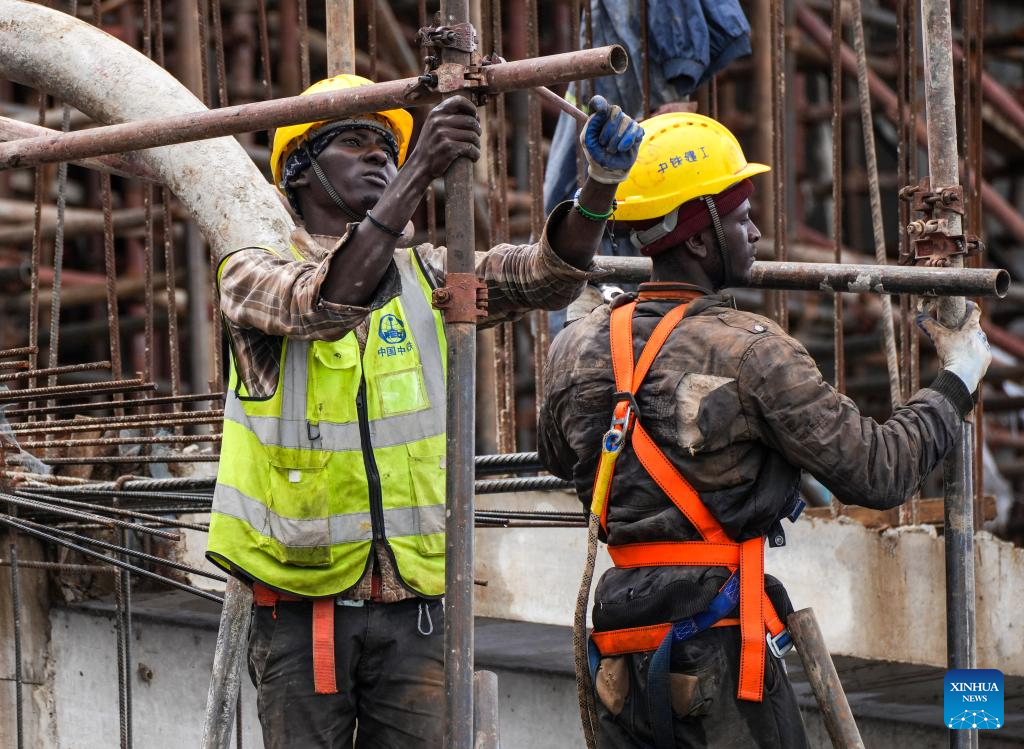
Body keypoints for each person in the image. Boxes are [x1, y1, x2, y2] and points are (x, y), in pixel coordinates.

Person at [204, 73, 643, 749]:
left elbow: (546, 275)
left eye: (389, 147)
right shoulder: (251, 274)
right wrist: (419, 171)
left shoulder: (431, 276)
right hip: (300, 609)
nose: (378, 156)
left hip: (415, 609)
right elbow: (324, 303)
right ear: (300, 168)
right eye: (355, 142)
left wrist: (597, 192)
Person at [537, 112, 991, 748]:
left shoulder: (576, 345)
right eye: (740, 216)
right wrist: (956, 380)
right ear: (699, 239)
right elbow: (879, 471)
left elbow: (560, 458)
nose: (754, 231)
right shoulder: (752, 351)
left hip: (620, 649)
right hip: (717, 650)